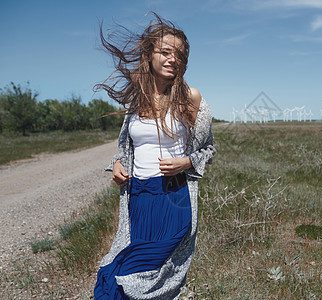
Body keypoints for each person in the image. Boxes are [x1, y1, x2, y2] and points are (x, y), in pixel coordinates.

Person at [93, 14, 216, 299]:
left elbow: (208, 149)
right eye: (165, 52)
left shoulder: (191, 97)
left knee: (152, 270)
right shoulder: (136, 101)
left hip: (174, 197)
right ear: (149, 56)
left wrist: (185, 163)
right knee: (118, 268)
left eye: (180, 55)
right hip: (139, 197)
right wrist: (117, 164)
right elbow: (127, 149)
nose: (174, 59)